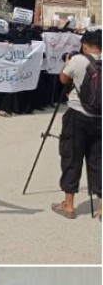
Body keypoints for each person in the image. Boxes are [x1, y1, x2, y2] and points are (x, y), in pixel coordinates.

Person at [54, 28, 101, 220]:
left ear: (84, 44)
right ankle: (101, 208)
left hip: (77, 114)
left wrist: (66, 64)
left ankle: (68, 205)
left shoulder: (78, 60)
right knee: (99, 160)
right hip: (100, 117)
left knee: (71, 157)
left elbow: (63, 79)